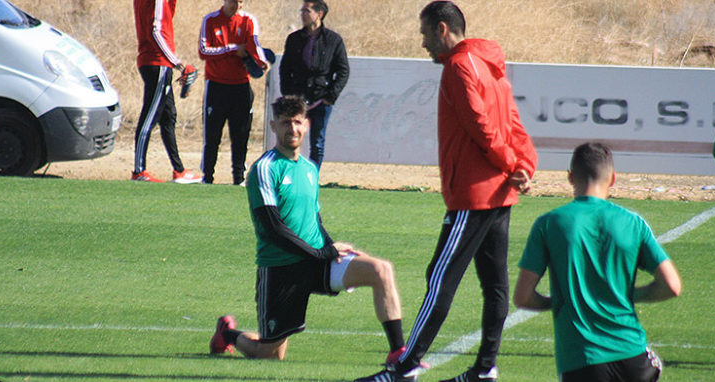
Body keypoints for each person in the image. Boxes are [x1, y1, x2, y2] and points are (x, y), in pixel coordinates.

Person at [356, 2, 537, 381]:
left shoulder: (458, 66)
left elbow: (481, 125)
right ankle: (485, 368)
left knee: (440, 277)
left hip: (475, 194)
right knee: (495, 285)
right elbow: (513, 123)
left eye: (424, 34)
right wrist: (523, 165)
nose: (422, 44)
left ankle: (404, 368)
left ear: (442, 29)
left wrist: (510, 164)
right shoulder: (490, 65)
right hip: (499, 193)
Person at [209, 95, 407, 363]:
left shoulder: (310, 169)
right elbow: (273, 228)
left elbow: (314, 220)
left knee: (380, 270)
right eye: (285, 123)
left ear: (307, 124)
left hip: (317, 261)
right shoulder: (264, 169)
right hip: (281, 269)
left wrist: (332, 246)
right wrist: (321, 253)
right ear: (273, 126)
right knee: (270, 356)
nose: (293, 129)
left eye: (298, 122)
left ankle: (398, 352)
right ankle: (228, 334)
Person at [513, 142, 682, 382]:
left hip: (582, 360)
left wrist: (557, 302)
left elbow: (522, 297)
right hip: (633, 357)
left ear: (571, 178)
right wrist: (631, 295)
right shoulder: (633, 223)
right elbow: (672, 285)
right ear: (613, 179)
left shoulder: (549, 224)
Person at [198, 0, 268, 185]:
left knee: (241, 135)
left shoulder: (248, 20)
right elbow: (204, 51)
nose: (235, 5)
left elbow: (253, 44)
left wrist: (261, 61)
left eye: (240, 1)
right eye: (232, 1)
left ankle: (239, 178)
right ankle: (207, 177)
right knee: (212, 136)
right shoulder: (211, 20)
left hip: (241, 86)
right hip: (216, 86)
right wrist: (233, 49)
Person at [132, 0, 201, 183]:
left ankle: (179, 170)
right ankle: (139, 171)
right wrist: (176, 62)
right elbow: (156, 30)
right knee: (150, 117)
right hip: (158, 62)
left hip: (152, 61)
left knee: (168, 116)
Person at [279, 0, 349, 169]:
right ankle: (290, 174)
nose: (303, 14)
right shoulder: (294, 39)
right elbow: (284, 69)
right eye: (302, 11)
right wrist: (288, 95)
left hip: (320, 99)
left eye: (307, 11)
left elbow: (343, 71)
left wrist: (330, 96)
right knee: (291, 138)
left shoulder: (333, 40)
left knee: (317, 142)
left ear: (319, 14)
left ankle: (312, 176)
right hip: (297, 99)